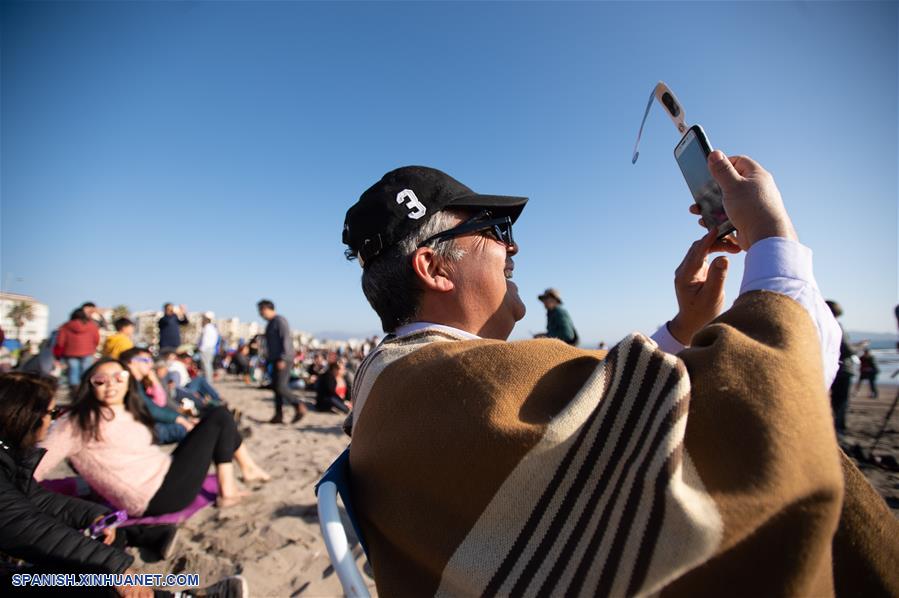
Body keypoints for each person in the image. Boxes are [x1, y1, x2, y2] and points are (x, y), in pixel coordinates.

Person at [340, 159, 899, 596]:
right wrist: (772, 239)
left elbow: (585, 411)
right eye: (492, 228)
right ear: (435, 268)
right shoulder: (468, 384)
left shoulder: (399, 378)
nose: (512, 246)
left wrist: (684, 327)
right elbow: (754, 429)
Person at [35, 358, 270, 516]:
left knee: (218, 421)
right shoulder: (76, 423)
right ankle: (231, 489)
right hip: (156, 496)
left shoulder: (126, 409)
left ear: (128, 381)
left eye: (119, 378)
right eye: (100, 380)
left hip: (166, 473)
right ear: (89, 385)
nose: (110, 385)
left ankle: (245, 473)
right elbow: (35, 467)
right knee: (219, 417)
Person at [120, 348, 195, 444]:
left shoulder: (137, 381)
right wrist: (180, 419)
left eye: (151, 360)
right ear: (132, 362)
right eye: (146, 360)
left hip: (142, 426)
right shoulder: (127, 382)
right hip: (135, 431)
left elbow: (158, 403)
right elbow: (148, 408)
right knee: (183, 429)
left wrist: (184, 418)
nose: (151, 364)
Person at [257, 300, 306, 424]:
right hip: (274, 359)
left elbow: (285, 340)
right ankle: (278, 415)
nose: (260, 313)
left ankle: (298, 405)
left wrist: (283, 358)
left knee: (280, 386)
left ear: (268, 309)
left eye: (261, 310)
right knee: (275, 387)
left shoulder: (279, 321)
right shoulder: (270, 323)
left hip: (283, 359)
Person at [826, 300, 855, 433]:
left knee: (833, 399)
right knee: (841, 400)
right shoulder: (837, 326)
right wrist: (859, 347)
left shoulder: (823, 325)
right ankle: (839, 428)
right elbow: (847, 349)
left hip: (830, 367)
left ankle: (833, 426)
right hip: (843, 368)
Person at [53, 309, 100, 388]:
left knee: (73, 371)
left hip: (70, 353)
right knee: (86, 371)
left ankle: (74, 390)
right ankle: (85, 388)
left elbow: (60, 342)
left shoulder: (66, 326)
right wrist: (93, 347)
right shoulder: (92, 326)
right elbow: (96, 339)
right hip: (88, 352)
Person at [197, 312, 219, 383]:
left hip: (206, 349)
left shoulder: (207, 328)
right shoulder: (213, 328)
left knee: (206, 366)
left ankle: (208, 383)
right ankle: (208, 382)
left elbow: (204, 340)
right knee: (208, 366)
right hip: (210, 349)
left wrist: (201, 349)